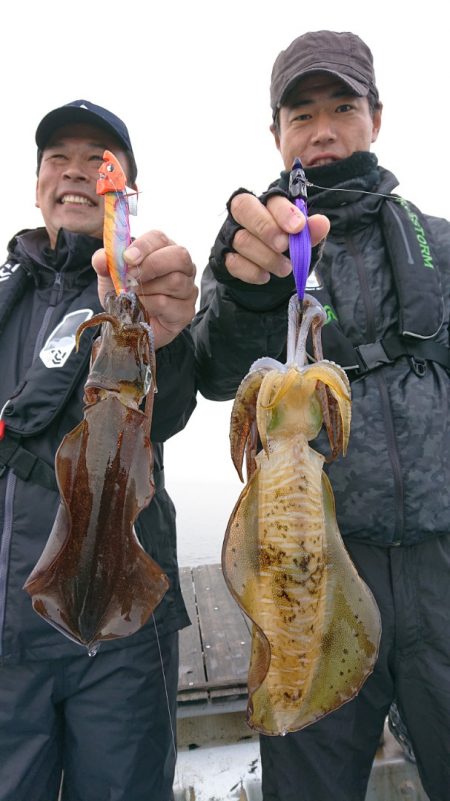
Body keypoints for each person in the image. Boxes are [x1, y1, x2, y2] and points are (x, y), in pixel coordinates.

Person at [191, 30, 450, 801]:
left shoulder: (438, 243)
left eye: (343, 105)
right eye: (301, 114)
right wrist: (248, 294)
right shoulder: (255, 249)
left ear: (377, 116)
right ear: (277, 134)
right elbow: (213, 366)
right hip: (310, 572)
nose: (323, 127)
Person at [0, 99, 198, 801]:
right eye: (59, 158)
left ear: (124, 191)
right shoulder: (5, 300)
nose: (76, 172)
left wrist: (163, 332)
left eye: (97, 159)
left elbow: (170, 400)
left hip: (119, 640)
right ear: (37, 185)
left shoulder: (145, 296)